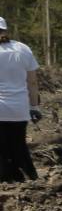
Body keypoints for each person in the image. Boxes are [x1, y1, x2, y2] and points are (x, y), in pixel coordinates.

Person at [0, 16, 42, 182]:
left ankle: (8, 182)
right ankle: (30, 178)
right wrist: (35, 107)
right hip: (19, 108)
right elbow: (32, 82)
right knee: (19, 145)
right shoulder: (22, 49)